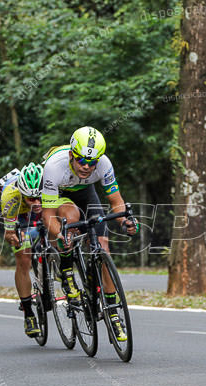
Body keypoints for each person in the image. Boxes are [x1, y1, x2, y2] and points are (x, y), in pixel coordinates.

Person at [40, 126, 138, 342]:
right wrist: (60, 235)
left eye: (91, 162)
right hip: (59, 193)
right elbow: (48, 216)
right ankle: (66, 268)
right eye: (81, 160)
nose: (86, 166)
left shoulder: (104, 164)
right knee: (70, 219)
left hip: (86, 192)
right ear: (71, 155)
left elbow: (116, 201)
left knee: (103, 248)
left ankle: (112, 310)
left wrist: (125, 221)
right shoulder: (54, 167)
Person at [0, 163, 45, 337]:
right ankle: (28, 313)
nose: (36, 202)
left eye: (39, 197)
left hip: (43, 211)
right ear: (22, 193)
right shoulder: (10, 196)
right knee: (24, 259)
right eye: (31, 199)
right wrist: (16, 240)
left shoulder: (50, 186)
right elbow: (9, 234)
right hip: (19, 214)